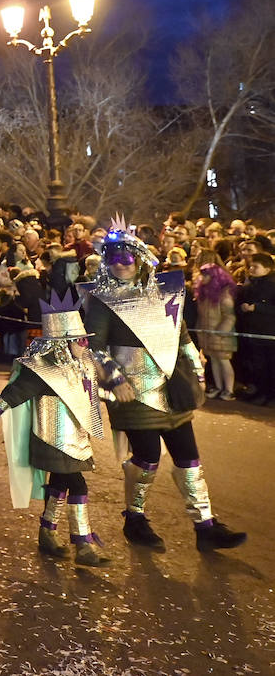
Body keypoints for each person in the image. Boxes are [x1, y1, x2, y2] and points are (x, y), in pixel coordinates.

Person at [82, 220, 246, 552]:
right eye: (111, 257)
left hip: (172, 387)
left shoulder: (163, 290)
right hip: (133, 389)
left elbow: (181, 334)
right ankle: (135, 518)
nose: (118, 263)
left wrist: (196, 368)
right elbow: (93, 346)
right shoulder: (102, 300)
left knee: (188, 456)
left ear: (140, 258)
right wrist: (113, 378)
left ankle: (205, 525)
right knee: (147, 457)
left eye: (126, 257)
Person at [0, 293, 131, 567]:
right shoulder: (42, 370)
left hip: (77, 438)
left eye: (85, 339)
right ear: (61, 344)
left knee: (61, 484)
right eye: (79, 340)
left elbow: (89, 394)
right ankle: (83, 544)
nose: (86, 344)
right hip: (52, 439)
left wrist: (114, 395)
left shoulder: (82, 364)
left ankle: (47, 532)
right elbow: (15, 392)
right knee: (78, 485)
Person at [194, 263, 238, 400]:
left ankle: (229, 389)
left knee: (224, 361)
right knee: (214, 361)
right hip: (208, 334)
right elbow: (201, 315)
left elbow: (229, 316)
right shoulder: (204, 293)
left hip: (220, 336)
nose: (203, 277)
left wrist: (220, 332)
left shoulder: (224, 294)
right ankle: (219, 387)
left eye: (206, 274)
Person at [236, 253, 275, 404]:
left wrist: (257, 308)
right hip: (252, 331)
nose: (251, 269)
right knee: (257, 365)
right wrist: (243, 308)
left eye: (256, 267)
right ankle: (259, 391)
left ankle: (269, 394)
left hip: (268, 332)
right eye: (251, 266)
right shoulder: (250, 285)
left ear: (267, 268)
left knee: (270, 365)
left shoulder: (272, 285)